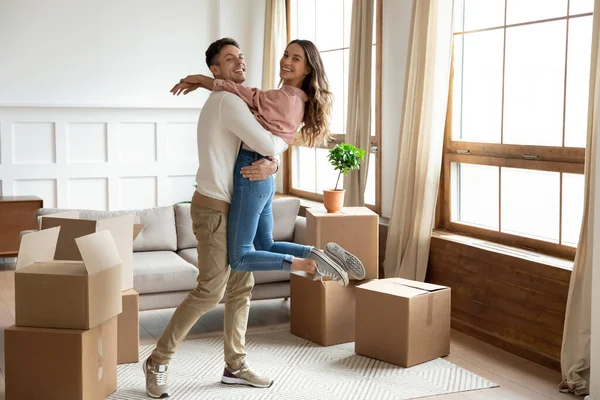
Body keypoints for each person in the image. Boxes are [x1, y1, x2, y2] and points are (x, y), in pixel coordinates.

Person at [143, 38, 352, 399]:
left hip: (234, 200)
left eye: (241, 56)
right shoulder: (228, 101)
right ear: (216, 69)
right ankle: (158, 360)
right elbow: (271, 143)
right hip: (215, 207)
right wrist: (273, 159)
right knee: (211, 290)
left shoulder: (243, 98)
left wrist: (273, 159)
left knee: (242, 287)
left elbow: (274, 137)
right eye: (229, 59)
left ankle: (234, 365)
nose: (239, 62)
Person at [171, 39, 367, 284]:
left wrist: (202, 80)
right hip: (263, 177)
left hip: (251, 173)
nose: (286, 61)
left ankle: (307, 262)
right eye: (286, 55)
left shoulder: (284, 98)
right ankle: (318, 253)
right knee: (267, 243)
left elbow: (244, 96)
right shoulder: (296, 98)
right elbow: (271, 136)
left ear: (307, 69)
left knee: (240, 258)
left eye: (296, 59)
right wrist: (274, 163)